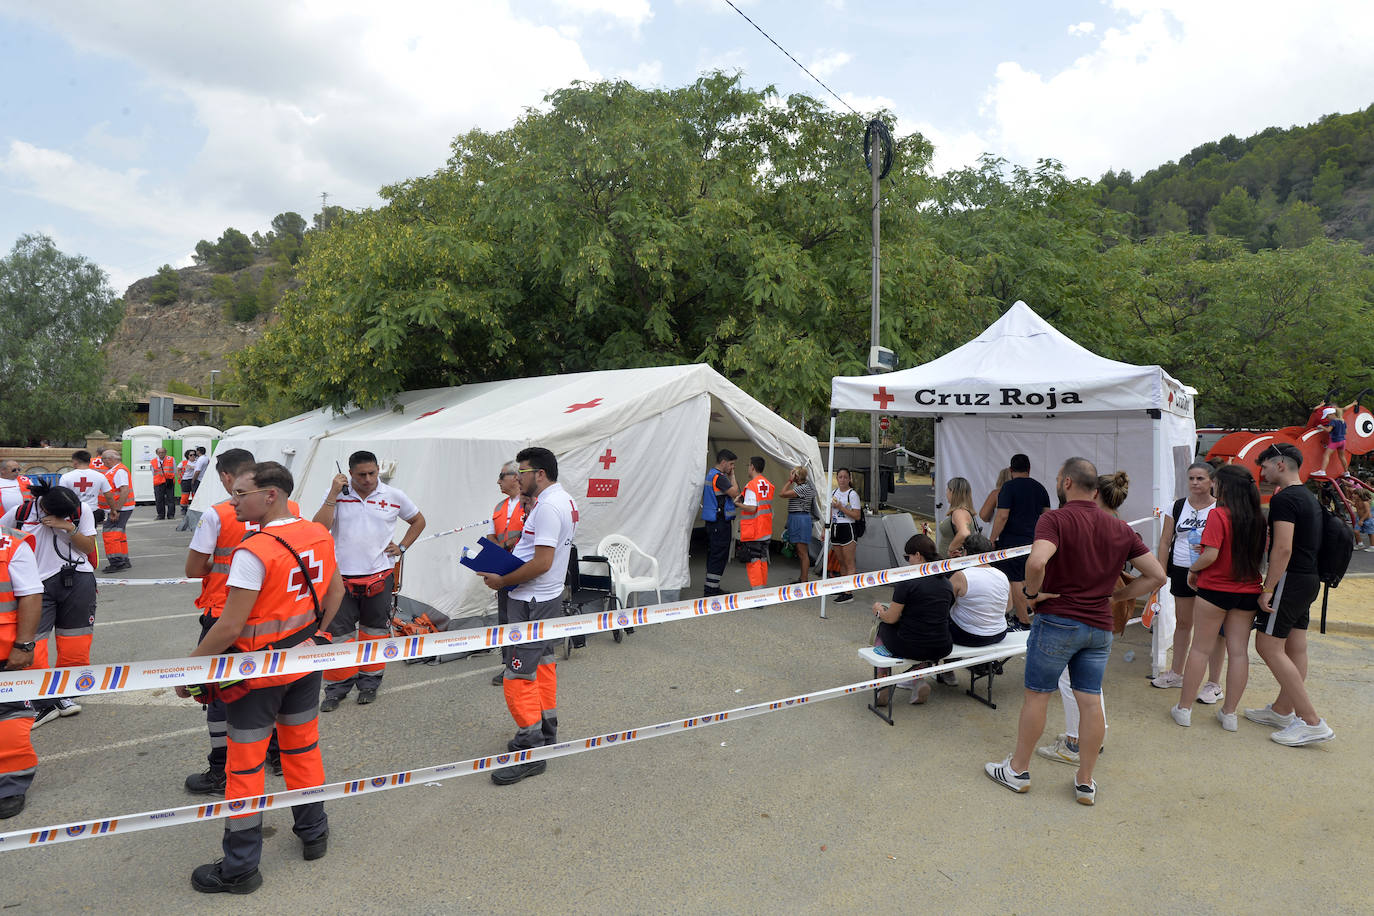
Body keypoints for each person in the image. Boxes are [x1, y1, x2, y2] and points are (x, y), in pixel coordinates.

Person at [176, 461, 341, 894]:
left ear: (270, 495)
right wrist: (318, 636)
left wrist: (189, 670)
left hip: (256, 675)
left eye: (241, 494)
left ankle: (240, 868)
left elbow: (229, 627)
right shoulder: (317, 533)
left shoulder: (255, 550)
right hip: (303, 665)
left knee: (245, 769)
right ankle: (314, 832)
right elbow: (336, 591)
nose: (234, 501)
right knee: (301, 750)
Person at [984, 457, 1164, 806]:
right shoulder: (1121, 528)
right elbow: (1157, 575)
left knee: (1038, 695)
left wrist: (1033, 594)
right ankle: (1085, 780)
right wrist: (1118, 595)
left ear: (1066, 483)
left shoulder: (1055, 519)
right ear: (1096, 490)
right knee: (1090, 699)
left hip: (1058, 620)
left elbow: (1036, 562)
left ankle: (1018, 770)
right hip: (1099, 626)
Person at [182, 448, 301, 794]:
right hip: (272, 617)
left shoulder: (216, 514)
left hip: (224, 614)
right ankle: (277, 755)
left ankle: (221, 768)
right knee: (272, 688)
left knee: (219, 695)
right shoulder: (290, 508)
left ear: (225, 476)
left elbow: (193, 569)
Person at [475, 447, 577, 785]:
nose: (517, 478)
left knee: (517, 675)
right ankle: (546, 732)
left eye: (522, 471)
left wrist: (502, 579)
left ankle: (530, 749)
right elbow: (536, 554)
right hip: (541, 598)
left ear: (540, 474)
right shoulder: (561, 500)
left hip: (531, 599)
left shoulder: (547, 507)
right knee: (543, 667)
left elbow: (542, 562)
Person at [313, 449, 426, 710]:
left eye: (372, 473)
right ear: (349, 473)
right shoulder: (337, 496)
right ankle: (336, 689)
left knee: (373, 633)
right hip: (340, 580)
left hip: (379, 577)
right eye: (361, 474)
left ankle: (369, 684)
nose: (367, 479)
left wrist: (402, 547)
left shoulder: (393, 496)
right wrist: (332, 494)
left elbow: (418, 520)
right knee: (338, 636)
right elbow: (318, 528)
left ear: (378, 470)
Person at [1037, 472, 1130, 766]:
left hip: (1073, 613)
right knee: (1089, 683)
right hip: (1100, 612)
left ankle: (1077, 742)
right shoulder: (1117, 525)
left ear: (1094, 494)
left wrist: (1033, 592)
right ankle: (1089, 738)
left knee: (1072, 681)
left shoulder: (1084, 524)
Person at [1246, 443, 1334, 745]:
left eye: (1266, 465)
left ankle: (1310, 721)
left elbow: (1282, 548)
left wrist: (1267, 588)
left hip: (1290, 579)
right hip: (1308, 579)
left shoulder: (1285, 500)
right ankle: (1283, 710)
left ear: (1280, 464)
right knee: (1295, 646)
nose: (1263, 471)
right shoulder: (1308, 498)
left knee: (1268, 646)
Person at [1169, 464, 1266, 731]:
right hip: (1248, 590)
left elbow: (1210, 554)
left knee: (1200, 648)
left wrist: (1192, 568)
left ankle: (1184, 708)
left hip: (1215, 589)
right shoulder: (1259, 517)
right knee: (1238, 653)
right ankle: (1230, 713)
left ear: (1225, 486)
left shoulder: (1219, 514)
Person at [2, 482, 99, 726]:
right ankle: (42, 702)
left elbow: (88, 549)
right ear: (43, 507)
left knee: (75, 647)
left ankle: (63, 696)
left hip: (77, 580)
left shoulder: (81, 510)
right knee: (33, 647)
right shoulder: (20, 513)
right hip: (34, 587)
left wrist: (68, 527)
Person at [1151, 462, 1225, 702]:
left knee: (1212, 630)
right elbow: (1164, 541)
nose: (1195, 483)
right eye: (1191, 478)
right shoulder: (1178, 505)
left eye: (1200, 478)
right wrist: (1160, 571)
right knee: (1183, 622)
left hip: (1210, 573)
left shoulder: (1221, 507)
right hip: (1182, 570)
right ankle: (1176, 673)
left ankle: (1213, 683)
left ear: (1212, 481)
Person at [870, 534, 953, 706]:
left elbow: (891, 618)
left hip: (913, 645)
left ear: (917, 555)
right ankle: (918, 681)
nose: (907, 561)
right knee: (924, 631)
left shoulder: (907, 581)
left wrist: (879, 611)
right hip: (942, 645)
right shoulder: (946, 582)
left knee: (882, 626)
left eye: (907, 557)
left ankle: (882, 682)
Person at [0, 523, 43, 819]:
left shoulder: (12, 543)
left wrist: (25, 645)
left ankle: (9, 786)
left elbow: (30, 594)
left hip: (4, 650)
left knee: (10, 717)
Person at [988, 453, 1051, 628]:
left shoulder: (1008, 487)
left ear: (1011, 469)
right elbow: (1047, 515)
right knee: (1030, 580)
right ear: (1029, 469)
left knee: (1015, 579)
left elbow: (1002, 516)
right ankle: (1035, 617)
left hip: (1012, 543)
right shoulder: (1040, 488)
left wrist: (992, 539)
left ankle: (1023, 621)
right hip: (1035, 542)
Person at [489, 460, 528, 685]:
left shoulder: (531, 503)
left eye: (501, 476)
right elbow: (491, 534)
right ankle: (509, 665)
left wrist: (507, 545)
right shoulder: (499, 507)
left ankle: (530, 663)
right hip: (504, 569)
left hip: (525, 569)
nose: (498, 481)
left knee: (524, 618)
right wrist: (498, 547)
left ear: (515, 477)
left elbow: (528, 534)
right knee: (505, 619)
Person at [59, 451, 111, 568]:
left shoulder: (66, 477)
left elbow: (61, 496)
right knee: (90, 537)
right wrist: (113, 510)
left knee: (72, 535)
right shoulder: (100, 476)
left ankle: (74, 559)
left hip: (72, 512)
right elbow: (108, 495)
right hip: (92, 512)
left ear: (75, 461)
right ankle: (91, 562)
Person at [701, 450, 740, 596]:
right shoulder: (720, 478)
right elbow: (736, 493)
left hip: (714, 522)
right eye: (731, 464)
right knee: (719, 556)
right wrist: (733, 476)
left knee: (714, 555)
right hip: (720, 523)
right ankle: (711, 590)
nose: (732, 468)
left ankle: (712, 586)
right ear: (723, 462)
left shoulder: (711, 474)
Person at [736, 456, 774, 588]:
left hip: (754, 530)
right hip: (765, 529)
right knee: (762, 560)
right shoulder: (768, 484)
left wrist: (738, 504)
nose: (748, 468)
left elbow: (752, 508)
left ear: (752, 467)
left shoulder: (751, 485)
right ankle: (762, 591)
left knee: (754, 561)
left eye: (748, 465)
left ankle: (757, 595)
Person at [98, 447, 134, 572]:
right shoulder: (116, 470)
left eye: (103, 460)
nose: (102, 463)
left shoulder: (118, 471)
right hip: (121, 508)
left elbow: (124, 490)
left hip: (120, 508)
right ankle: (123, 560)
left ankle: (116, 562)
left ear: (110, 459)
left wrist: (116, 510)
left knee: (110, 534)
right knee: (119, 534)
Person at [828, 468, 862, 602]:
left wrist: (842, 507)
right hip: (836, 527)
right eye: (840, 477)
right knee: (840, 561)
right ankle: (843, 588)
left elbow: (857, 515)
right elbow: (831, 513)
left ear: (849, 479)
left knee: (849, 561)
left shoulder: (852, 494)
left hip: (848, 528)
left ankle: (849, 593)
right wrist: (825, 529)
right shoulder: (833, 492)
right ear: (837, 479)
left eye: (845, 477)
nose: (842, 480)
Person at [779, 466, 817, 583]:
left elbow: (782, 493)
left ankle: (804, 579)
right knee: (801, 551)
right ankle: (802, 577)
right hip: (799, 518)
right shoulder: (805, 487)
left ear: (796, 476)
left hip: (799, 519)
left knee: (802, 552)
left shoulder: (802, 488)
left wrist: (789, 481)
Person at [937, 476, 979, 557]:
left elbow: (964, 533)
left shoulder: (959, 512)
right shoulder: (964, 511)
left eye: (947, 489)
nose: (946, 493)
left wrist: (950, 549)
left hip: (952, 563)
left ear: (952, 492)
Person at [1312, 401, 1355, 478]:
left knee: (1326, 455)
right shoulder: (1342, 421)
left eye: (1327, 417)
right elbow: (1346, 432)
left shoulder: (1333, 421)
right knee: (1342, 456)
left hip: (1335, 441)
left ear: (1332, 414)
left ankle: (1322, 471)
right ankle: (1346, 472)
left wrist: (1321, 427)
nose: (1327, 419)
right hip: (1343, 441)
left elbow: (1328, 430)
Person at [152, 446, 177, 520]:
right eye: (159, 452)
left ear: (165, 453)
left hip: (169, 481)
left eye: (163, 452)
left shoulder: (171, 459)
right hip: (158, 483)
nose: (161, 454)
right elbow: (153, 472)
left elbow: (175, 470)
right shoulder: (153, 461)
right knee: (159, 499)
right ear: (157, 453)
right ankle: (160, 515)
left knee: (171, 499)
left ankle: (171, 515)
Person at [178, 448, 199, 517]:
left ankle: (194, 509)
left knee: (194, 495)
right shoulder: (184, 462)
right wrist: (180, 476)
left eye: (194, 455)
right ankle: (184, 509)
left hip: (194, 480)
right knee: (185, 496)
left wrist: (192, 467)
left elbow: (199, 469)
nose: (193, 456)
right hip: (185, 480)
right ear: (187, 456)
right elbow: (178, 469)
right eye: (191, 455)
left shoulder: (198, 462)